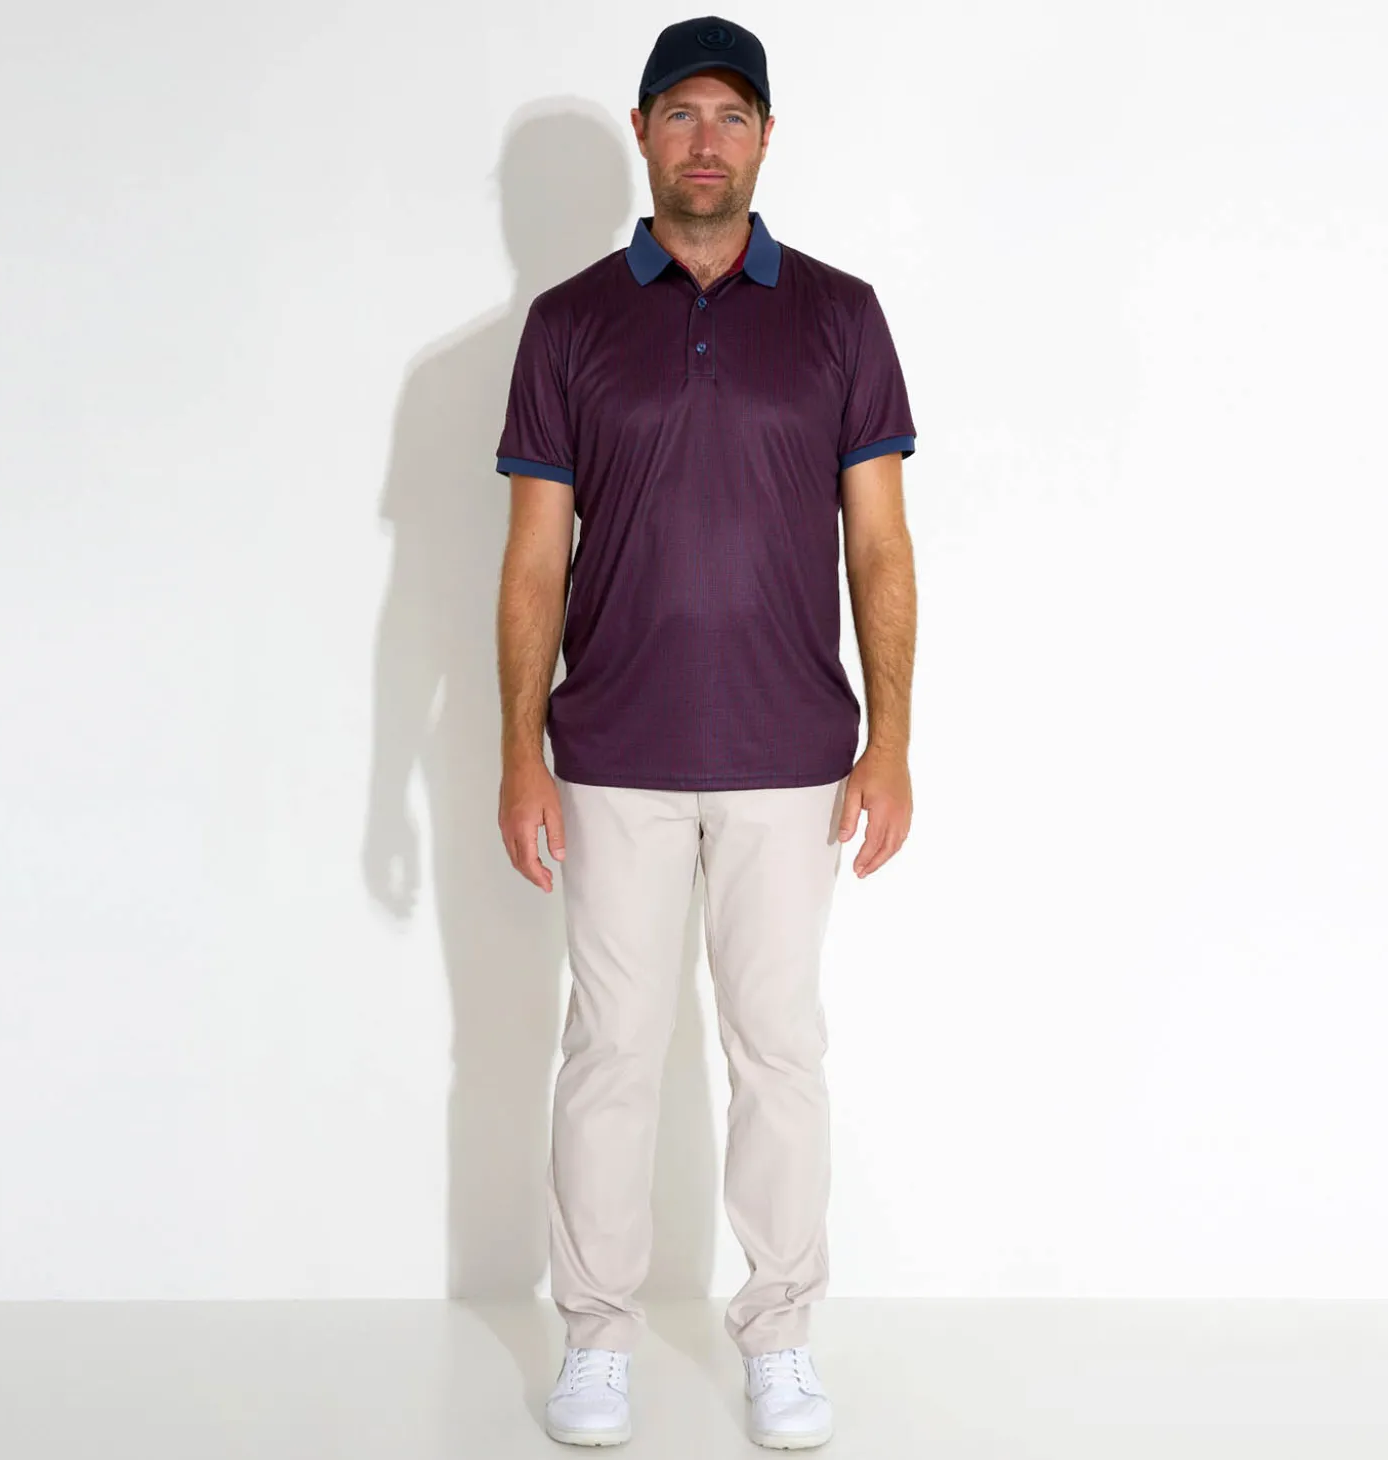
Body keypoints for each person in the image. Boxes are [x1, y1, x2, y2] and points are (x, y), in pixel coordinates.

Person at [493, 14, 917, 1449]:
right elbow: (535, 562)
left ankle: (780, 1336)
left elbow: (880, 549)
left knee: (779, 1055)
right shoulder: (567, 324)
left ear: (767, 138)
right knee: (610, 1054)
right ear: (643, 132)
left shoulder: (842, 316)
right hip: (610, 755)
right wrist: (519, 752)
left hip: (792, 759)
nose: (706, 141)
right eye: (681, 113)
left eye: (733, 115)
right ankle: (595, 1340)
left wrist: (891, 742)